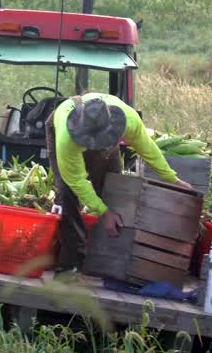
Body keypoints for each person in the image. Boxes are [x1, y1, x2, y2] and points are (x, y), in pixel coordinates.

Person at [45, 92, 191, 271]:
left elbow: (148, 149)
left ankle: (110, 261)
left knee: (113, 189)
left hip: (101, 130)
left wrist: (173, 179)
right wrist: (104, 213)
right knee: (67, 195)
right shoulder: (67, 138)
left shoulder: (129, 120)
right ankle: (71, 263)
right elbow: (76, 180)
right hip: (64, 131)